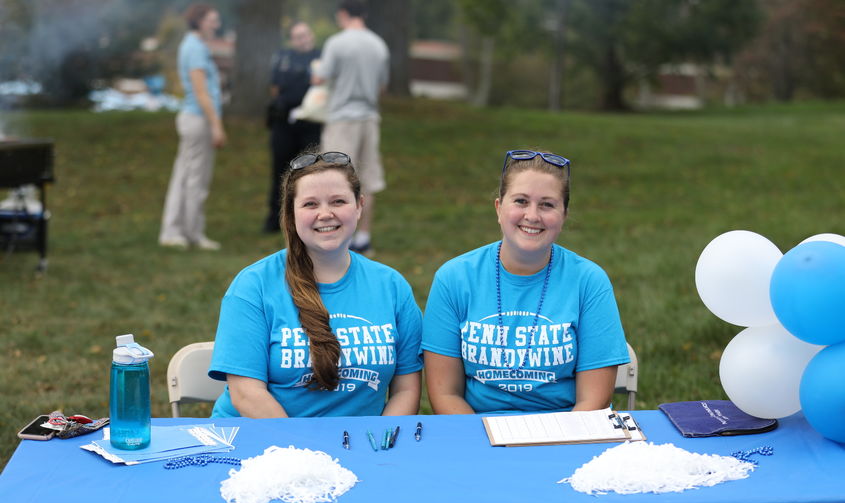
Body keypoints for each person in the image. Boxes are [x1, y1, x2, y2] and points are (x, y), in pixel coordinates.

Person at [208, 150, 422, 417]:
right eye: (310, 204)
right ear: (291, 212)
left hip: (360, 449)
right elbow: (246, 394)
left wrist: (384, 441)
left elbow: (406, 389)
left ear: (359, 206)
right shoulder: (253, 286)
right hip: (266, 443)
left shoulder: (391, 286)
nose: (325, 214)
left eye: (338, 201)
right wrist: (308, 455)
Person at [422, 150, 629, 415]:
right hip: (479, 434)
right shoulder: (453, 279)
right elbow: (445, 394)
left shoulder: (589, 281)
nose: (532, 215)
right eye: (520, 201)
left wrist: (555, 447)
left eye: (547, 204)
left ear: (564, 215)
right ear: (499, 208)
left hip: (568, 433)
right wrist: (487, 449)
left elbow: (592, 401)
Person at [312, 0, 389, 255]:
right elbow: (381, 88)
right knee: (367, 179)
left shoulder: (337, 43)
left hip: (342, 118)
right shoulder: (379, 45)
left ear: (342, 14)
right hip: (369, 119)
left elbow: (320, 77)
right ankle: (363, 238)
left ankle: (336, 238)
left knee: (335, 178)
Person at [159, 2, 225, 251]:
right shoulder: (195, 48)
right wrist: (216, 125)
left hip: (194, 119)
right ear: (199, 20)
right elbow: (201, 92)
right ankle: (192, 233)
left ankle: (173, 232)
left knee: (184, 177)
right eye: (212, 20)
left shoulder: (194, 46)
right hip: (199, 120)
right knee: (195, 179)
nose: (216, 25)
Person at [264, 22, 322, 234]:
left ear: (312, 36)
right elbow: (274, 88)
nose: (302, 39)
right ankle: (275, 219)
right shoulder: (283, 58)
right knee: (280, 172)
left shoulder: (321, 57)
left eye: (305, 34)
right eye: (297, 36)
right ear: (291, 40)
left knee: (308, 172)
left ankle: (305, 220)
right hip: (284, 123)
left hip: (311, 124)